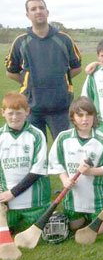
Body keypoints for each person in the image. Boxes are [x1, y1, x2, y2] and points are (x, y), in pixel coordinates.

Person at [5, 0, 82, 139]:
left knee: (63, 151)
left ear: (47, 12)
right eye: (33, 9)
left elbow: (77, 67)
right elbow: (11, 72)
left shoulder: (64, 39)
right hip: (32, 109)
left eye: (41, 8)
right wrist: (29, 82)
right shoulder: (20, 42)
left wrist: (61, 79)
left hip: (61, 108)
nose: (38, 11)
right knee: (35, 151)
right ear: (28, 15)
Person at [48, 97, 103, 233]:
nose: (85, 119)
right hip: (73, 197)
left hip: (97, 198)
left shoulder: (102, 140)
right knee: (74, 227)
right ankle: (80, 215)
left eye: (88, 115)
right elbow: (56, 162)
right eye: (80, 115)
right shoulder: (64, 138)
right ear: (72, 118)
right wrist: (64, 180)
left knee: (102, 230)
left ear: (94, 117)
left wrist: (91, 172)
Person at [0, 91, 49, 232]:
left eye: (18, 113)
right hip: (8, 201)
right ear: (3, 112)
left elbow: (38, 170)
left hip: (35, 203)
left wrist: (13, 192)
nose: (14, 117)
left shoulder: (36, 135)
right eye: (10, 113)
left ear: (27, 111)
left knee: (45, 231)